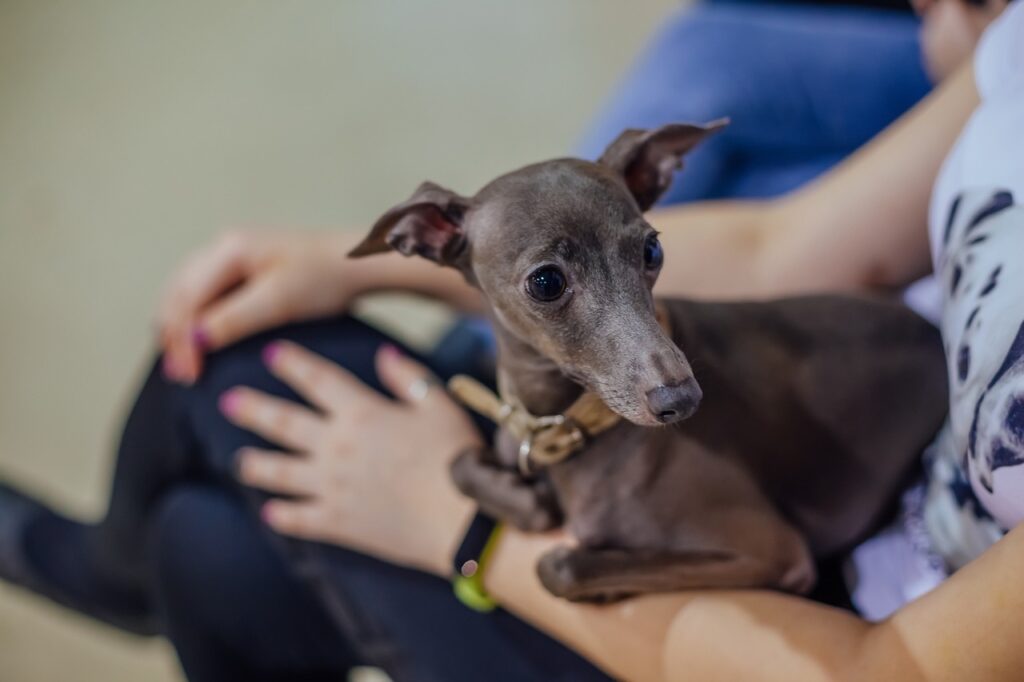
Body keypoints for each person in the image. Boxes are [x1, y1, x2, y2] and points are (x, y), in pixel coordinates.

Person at [0, 0, 1014, 680]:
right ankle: (119, 569)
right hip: (823, 409)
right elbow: (782, 241)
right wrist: (340, 257)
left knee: (223, 402)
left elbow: (869, 653)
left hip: (807, 618)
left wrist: (467, 530)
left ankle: (96, 571)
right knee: (207, 543)